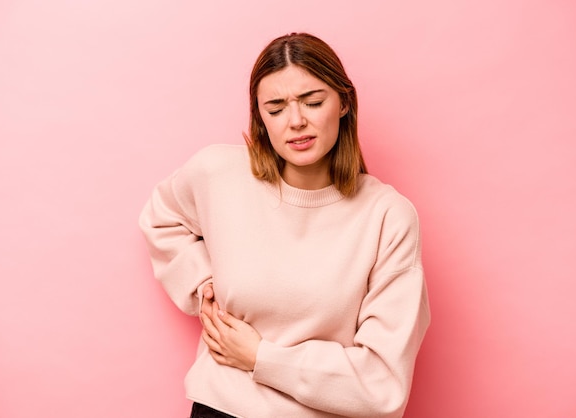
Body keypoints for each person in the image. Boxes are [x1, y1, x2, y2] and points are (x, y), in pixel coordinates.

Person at [139, 32, 430, 418]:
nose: (296, 121)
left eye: (313, 102)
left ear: (343, 102)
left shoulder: (387, 216)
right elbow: (161, 217)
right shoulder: (218, 174)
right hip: (220, 407)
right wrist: (201, 283)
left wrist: (262, 357)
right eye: (275, 108)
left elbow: (382, 383)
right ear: (259, 115)